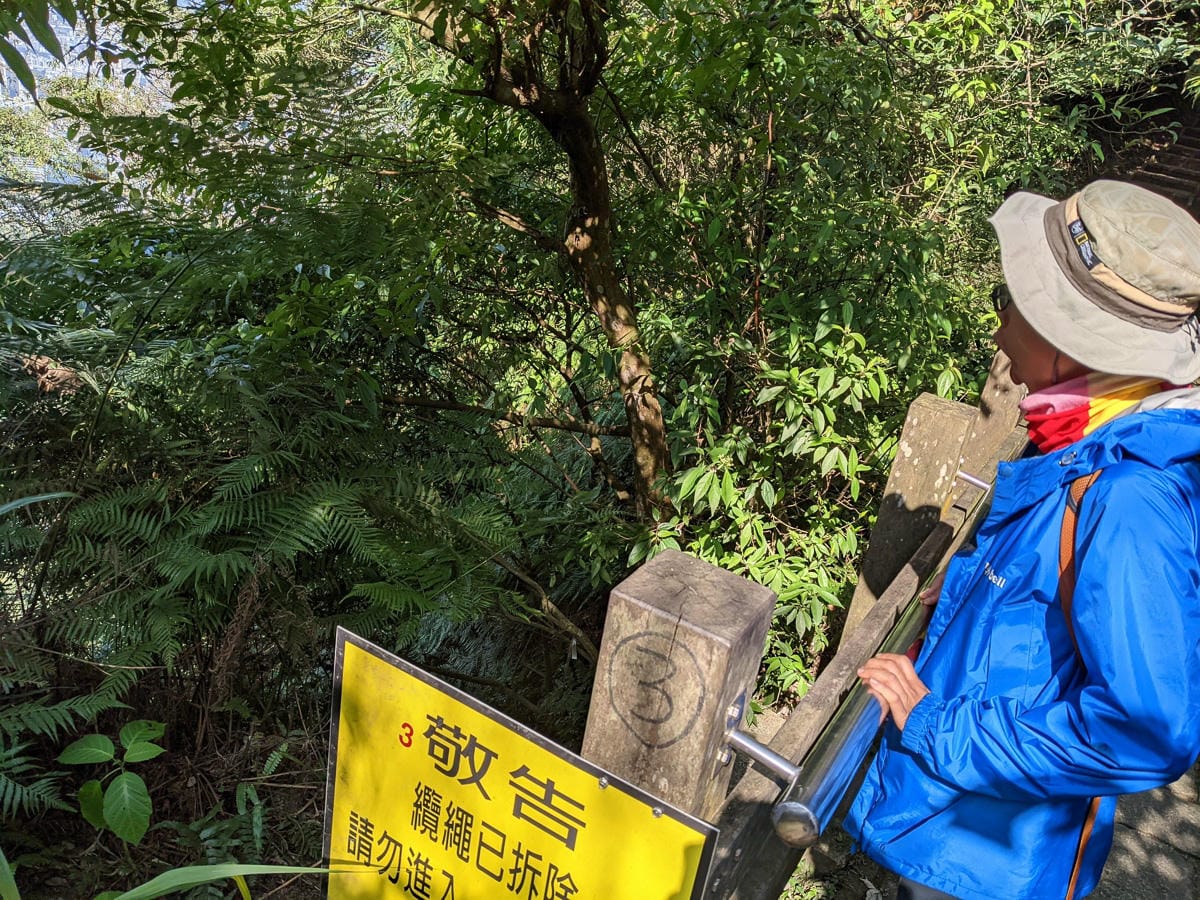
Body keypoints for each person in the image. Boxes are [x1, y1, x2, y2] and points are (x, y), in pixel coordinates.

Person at [844, 179, 1200, 900]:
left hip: (985, 863)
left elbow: (1148, 732)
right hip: (957, 827)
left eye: (1016, 306)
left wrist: (934, 725)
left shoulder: (1131, 498)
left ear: (1074, 345)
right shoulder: (1088, 441)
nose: (1000, 328)